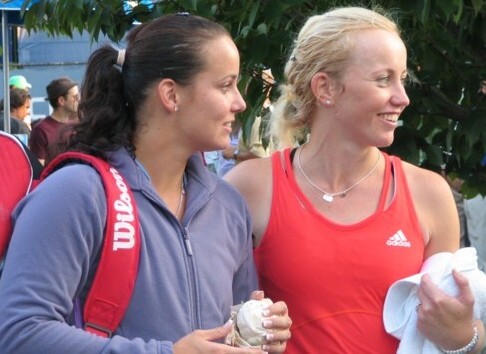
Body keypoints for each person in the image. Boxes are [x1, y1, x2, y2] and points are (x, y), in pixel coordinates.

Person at [0, 14, 291, 354]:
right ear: (171, 94)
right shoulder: (77, 192)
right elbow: (18, 332)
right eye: (226, 85)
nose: (240, 102)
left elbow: (227, 333)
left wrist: (254, 327)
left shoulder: (228, 204)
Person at [225, 6, 485, 354]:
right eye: (383, 79)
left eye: (402, 79)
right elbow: (207, 313)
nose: (403, 98)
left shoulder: (429, 193)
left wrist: (463, 337)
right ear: (326, 87)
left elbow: (452, 328)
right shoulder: (250, 186)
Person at [29, 77, 79, 164]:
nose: (79, 99)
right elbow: (38, 169)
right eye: (75, 96)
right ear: (61, 101)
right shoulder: (41, 130)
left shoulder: (77, 126)